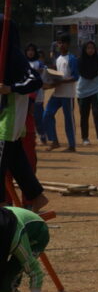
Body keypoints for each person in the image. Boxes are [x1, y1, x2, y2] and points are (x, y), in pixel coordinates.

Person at [0, 18, 48, 212]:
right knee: (15, 159)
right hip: (5, 116)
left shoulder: (14, 55)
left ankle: (2, 205)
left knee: (1, 161)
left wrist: (11, 88)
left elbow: (35, 81)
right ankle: (37, 197)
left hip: (10, 116)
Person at [0, 207, 50, 292]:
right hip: (10, 233)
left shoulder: (17, 240)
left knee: (7, 282)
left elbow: (36, 273)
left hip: (36, 234)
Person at [42, 33, 78, 151]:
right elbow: (57, 75)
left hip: (68, 94)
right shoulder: (58, 59)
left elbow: (75, 77)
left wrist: (61, 80)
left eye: (63, 43)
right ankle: (54, 141)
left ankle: (72, 145)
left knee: (69, 120)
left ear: (68, 44)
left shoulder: (72, 58)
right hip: (57, 93)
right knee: (47, 114)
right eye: (59, 43)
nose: (61, 45)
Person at [76, 40, 98, 146]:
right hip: (82, 91)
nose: (90, 50)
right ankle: (85, 138)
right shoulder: (79, 61)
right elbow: (77, 75)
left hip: (96, 89)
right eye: (88, 48)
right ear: (84, 49)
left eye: (92, 48)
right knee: (84, 115)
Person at [25, 44, 47, 145]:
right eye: (28, 50)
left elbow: (41, 76)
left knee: (38, 117)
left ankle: (42, 135)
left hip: (37, 96)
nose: (30, 52)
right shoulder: (23, 63)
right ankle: (30, 137)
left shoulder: (39, 63)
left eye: (32, 50)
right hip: (25, 95)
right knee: (27, 118)